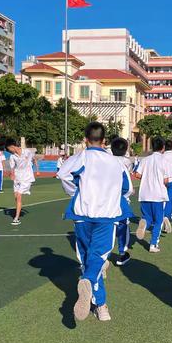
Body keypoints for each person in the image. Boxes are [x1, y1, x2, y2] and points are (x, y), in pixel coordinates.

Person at [58, 122, 133, 321]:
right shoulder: (116, 162)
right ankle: (97, 298)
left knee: (87, 260)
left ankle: (99, 302)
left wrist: (77, 192)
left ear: (85, 140)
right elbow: (128, 189)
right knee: (98, 258)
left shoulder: (81, 157)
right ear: (105, 140)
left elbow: (63, 175)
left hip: (82, 215)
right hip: (107, 216)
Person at [134, 137, 169, 253]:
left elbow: (137, 175)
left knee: (147, 217)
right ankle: (153, 244)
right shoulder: (164, 161)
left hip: (145, 193)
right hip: (158, 195)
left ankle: (144, 224)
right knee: (158, 221)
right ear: (163, 148)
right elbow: (166, 181)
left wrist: (147, 178)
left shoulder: (145, 160)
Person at [110, 136, 134, 266]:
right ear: (125, 150)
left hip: (101, 201)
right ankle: (121, 254)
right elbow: (128, 188)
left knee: (105, 228)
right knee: (123, 226)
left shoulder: (103, 161)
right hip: (119, 201)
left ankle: (103, 256)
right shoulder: (124, 163)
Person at [5, 138, 39, 225]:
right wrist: (12, 174)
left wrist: (37, 170)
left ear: (12, 146)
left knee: (19, 196)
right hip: (17, 178)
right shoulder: (12, 156)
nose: (10, 151)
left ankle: (16, 218)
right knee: (16, 197)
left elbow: (34, 159)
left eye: (9, 149)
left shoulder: (27, 152)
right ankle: (18, 211)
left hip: (26, 178)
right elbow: (12, 167)